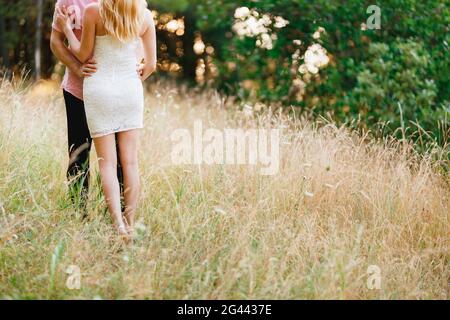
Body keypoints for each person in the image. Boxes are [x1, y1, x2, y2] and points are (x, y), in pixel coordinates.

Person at [54, 0, 157, 239]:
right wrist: (129, 79)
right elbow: (150, 65)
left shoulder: (94, 11)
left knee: (107, 164)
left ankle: (117, 224)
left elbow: (82, 54)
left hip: (99, 90)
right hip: (129, 89)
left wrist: (67, 29)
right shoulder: (144, 15)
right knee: (130, 163)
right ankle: (130, 224)